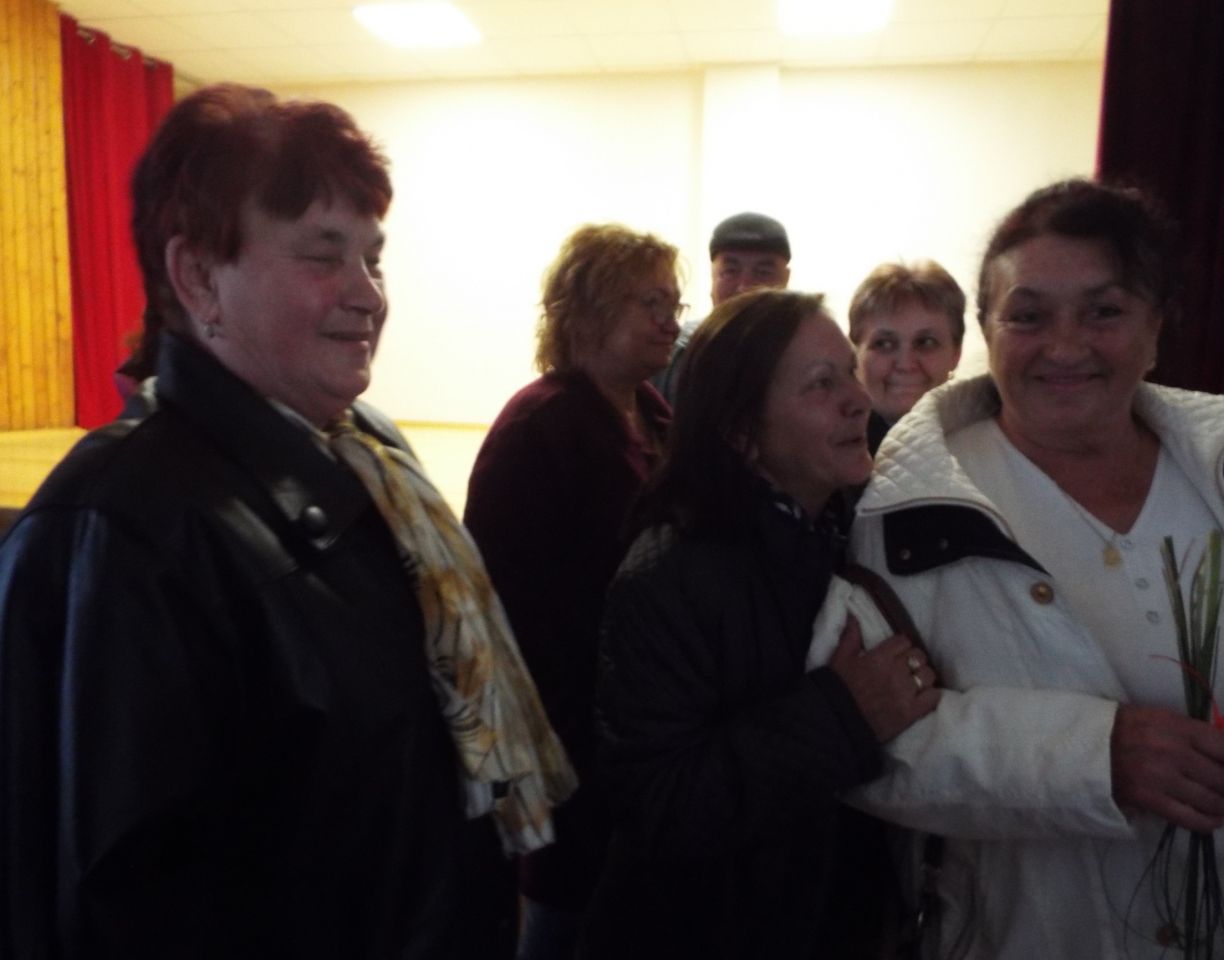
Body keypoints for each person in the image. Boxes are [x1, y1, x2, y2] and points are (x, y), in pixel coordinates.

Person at [0, 83, 574, 958]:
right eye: (322, 256)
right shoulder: (125, 528)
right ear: (199, 277)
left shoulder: (365, 454)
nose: (368, 296)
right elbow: (128, 906)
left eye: (374, 259)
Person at [842, 178, 1224, 958]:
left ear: (1156, 327)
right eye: (1029, 316)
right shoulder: (911, 511)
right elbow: (866, 753)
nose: (1066, 347)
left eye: (1104, 312)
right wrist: (1091, 759)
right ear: (986, 329)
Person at [582, 288, 941, 959]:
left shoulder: (847, 534)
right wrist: (844, 715)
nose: (857, 399)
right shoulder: (669, 575)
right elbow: (659, 805)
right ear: (742, 432)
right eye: (821, 384)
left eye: (850, 373)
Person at [464, 223, 681, 959]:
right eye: (650, 303)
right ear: (587, 312)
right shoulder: (542, 425)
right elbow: (502, 606)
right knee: (566, 913)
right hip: (566, 726)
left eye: (673, 304)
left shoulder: (654, 414)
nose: (670, 321)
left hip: (634, 721)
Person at [650, 210, 791, 404]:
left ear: (786, 280)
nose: (744, 287)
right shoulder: (677, 351)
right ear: (712, 276)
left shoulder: (807, 353)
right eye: (730, 271)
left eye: (763, 272)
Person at [848, 260, 965, 454]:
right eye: (884, 344)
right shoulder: (819, 458)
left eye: (926, 342)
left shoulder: (988, 447)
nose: (906, 364)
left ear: (956, 354)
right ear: (854, 355)